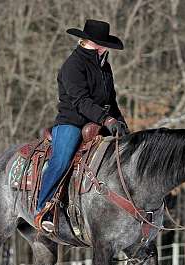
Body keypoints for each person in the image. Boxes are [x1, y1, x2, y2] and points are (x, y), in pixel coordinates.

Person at [34, 19, 129, 232]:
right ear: (92, 43)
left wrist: (120, 123)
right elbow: (80, 101)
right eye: (104, 44)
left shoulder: (104, 66)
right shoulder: (73, 65)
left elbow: (111, 100)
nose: (106, 48)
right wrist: (106, 120)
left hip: (100, 121)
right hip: (72, 121)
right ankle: (43, 207)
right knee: (62, 159)